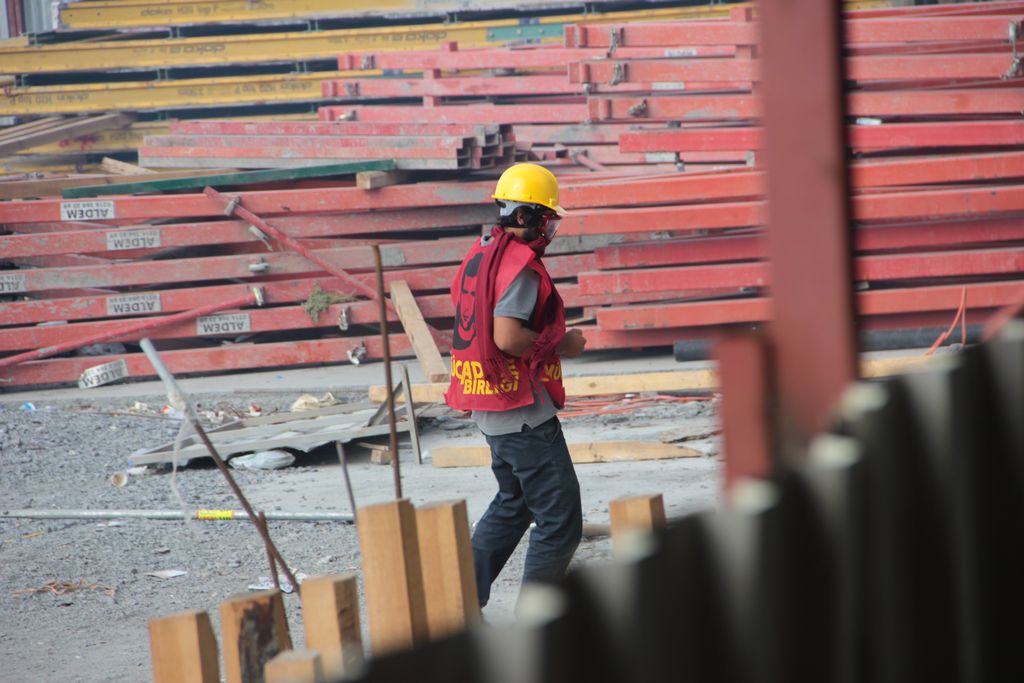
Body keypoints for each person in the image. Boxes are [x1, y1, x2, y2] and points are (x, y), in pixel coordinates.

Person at [444, 162, 587, 612]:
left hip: (491, 408)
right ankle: (536, 625)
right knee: (560, 521)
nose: (549, 228)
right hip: (523, 413)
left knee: (514, 504)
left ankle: (458, 604)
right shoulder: (519, 266)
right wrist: (563, 344)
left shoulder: (481, 254)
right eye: (545, 218)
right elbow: (506, 336)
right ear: (523, 216)